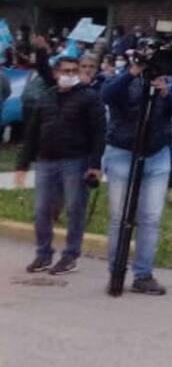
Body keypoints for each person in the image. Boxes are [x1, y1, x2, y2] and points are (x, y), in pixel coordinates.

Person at [101, 51, 172, 295]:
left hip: (157, 154)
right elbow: (107, 95)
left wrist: (166, 92)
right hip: (122, 152)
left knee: (150, 218)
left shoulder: (170, 84)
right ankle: (116, 271)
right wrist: (132, 72)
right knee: (119, 218)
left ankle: (143, 275)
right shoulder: (125, 79)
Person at [14, 42, 105, 276]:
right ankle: (43, 253)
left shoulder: (89, 98)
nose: (70, 76)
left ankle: (70, 255)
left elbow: (98, 133)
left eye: (74, 72)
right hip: (46, 161)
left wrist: (95, 165)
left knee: (75, 208)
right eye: (66, 72)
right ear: (56, 74)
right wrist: (22, 164)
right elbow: (32, 133)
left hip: (76, 161)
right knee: (42, 210)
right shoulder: (46, 98)